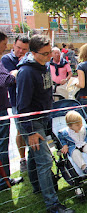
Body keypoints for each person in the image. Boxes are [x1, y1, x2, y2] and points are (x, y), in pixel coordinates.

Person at [16, 34, 74, 212]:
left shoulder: (45, 65)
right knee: (45, 161)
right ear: (33, 53)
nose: (50, 56)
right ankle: (53, 205)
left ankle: (37, 187)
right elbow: (22, 106)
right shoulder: (26, 72)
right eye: (46, 53)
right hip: (31, 123)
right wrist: (31, 131)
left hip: (43, 118)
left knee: (35, 157)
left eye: (50, 52)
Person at [1, 35, 29, 173]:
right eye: (18, 48)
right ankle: (22, 159)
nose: (21, 51)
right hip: (16, 102)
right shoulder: (6, 59)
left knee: (31, 129)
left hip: (30, 102)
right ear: (13, 45)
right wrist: (21, 70)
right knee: (20, 131)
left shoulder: (29, 58)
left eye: (24, 49)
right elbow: (9, 80)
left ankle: (33, 159)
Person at [0, 31, 24, 191]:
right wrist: (16, 72)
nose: (5, 47)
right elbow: (6, 80)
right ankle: (4, 181)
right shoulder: (4, 60)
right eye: (4, 44)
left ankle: (5, 179)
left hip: (5, 106)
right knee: (3, 144)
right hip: (7, 107)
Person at [58, 111, 87, 175]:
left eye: (81, 123)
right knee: (75, 154)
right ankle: (84, 168)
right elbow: (62, 139)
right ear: (70, 126)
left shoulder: (84, 128)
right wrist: (65, 145)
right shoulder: (65, 133)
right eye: (77, 125)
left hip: (83, 144)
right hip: (74, 147)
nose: (80, 125)